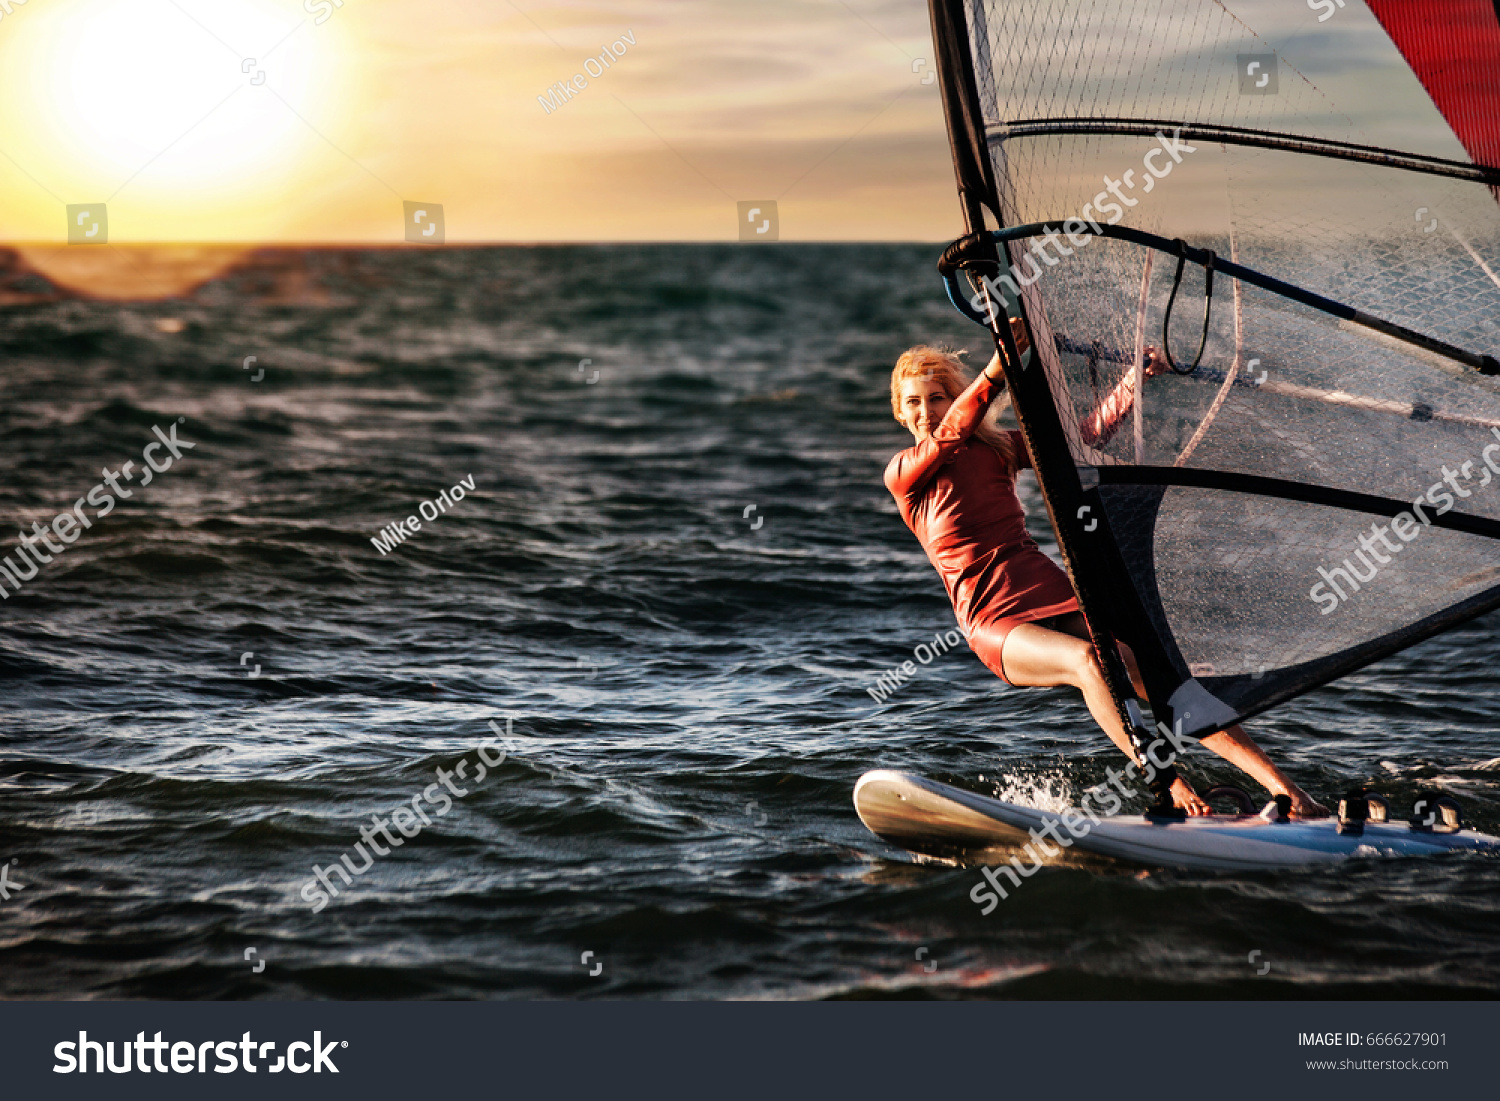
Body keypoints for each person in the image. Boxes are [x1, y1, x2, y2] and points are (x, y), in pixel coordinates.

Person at [884, 327, 1328, 818]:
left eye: (938, 398)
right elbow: (949, 437)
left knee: (1152, 675)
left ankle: (1289, 790)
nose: (928, 412)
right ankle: (1167, 781)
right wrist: (997, 369)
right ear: (901, 413)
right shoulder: (905, 473)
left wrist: (1133, 383)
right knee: (1086, 663)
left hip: (1046, 587)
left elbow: (1081, 439)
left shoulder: (999, 449)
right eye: (915, 403)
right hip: (994, 621)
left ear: (954, 399)